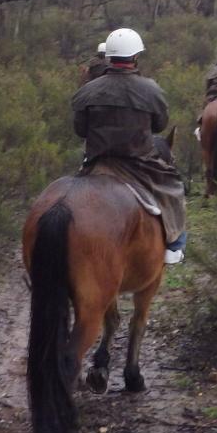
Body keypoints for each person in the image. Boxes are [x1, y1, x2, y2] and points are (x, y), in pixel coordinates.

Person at [71, 28, 188, 264]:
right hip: (140, 162)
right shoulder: (151, 90)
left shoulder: (87, 91)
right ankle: (174, 246)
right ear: (135, 57)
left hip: (97, 162)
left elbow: (80, 131)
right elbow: (159, 126)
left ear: (109, 57)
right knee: (174, 188)